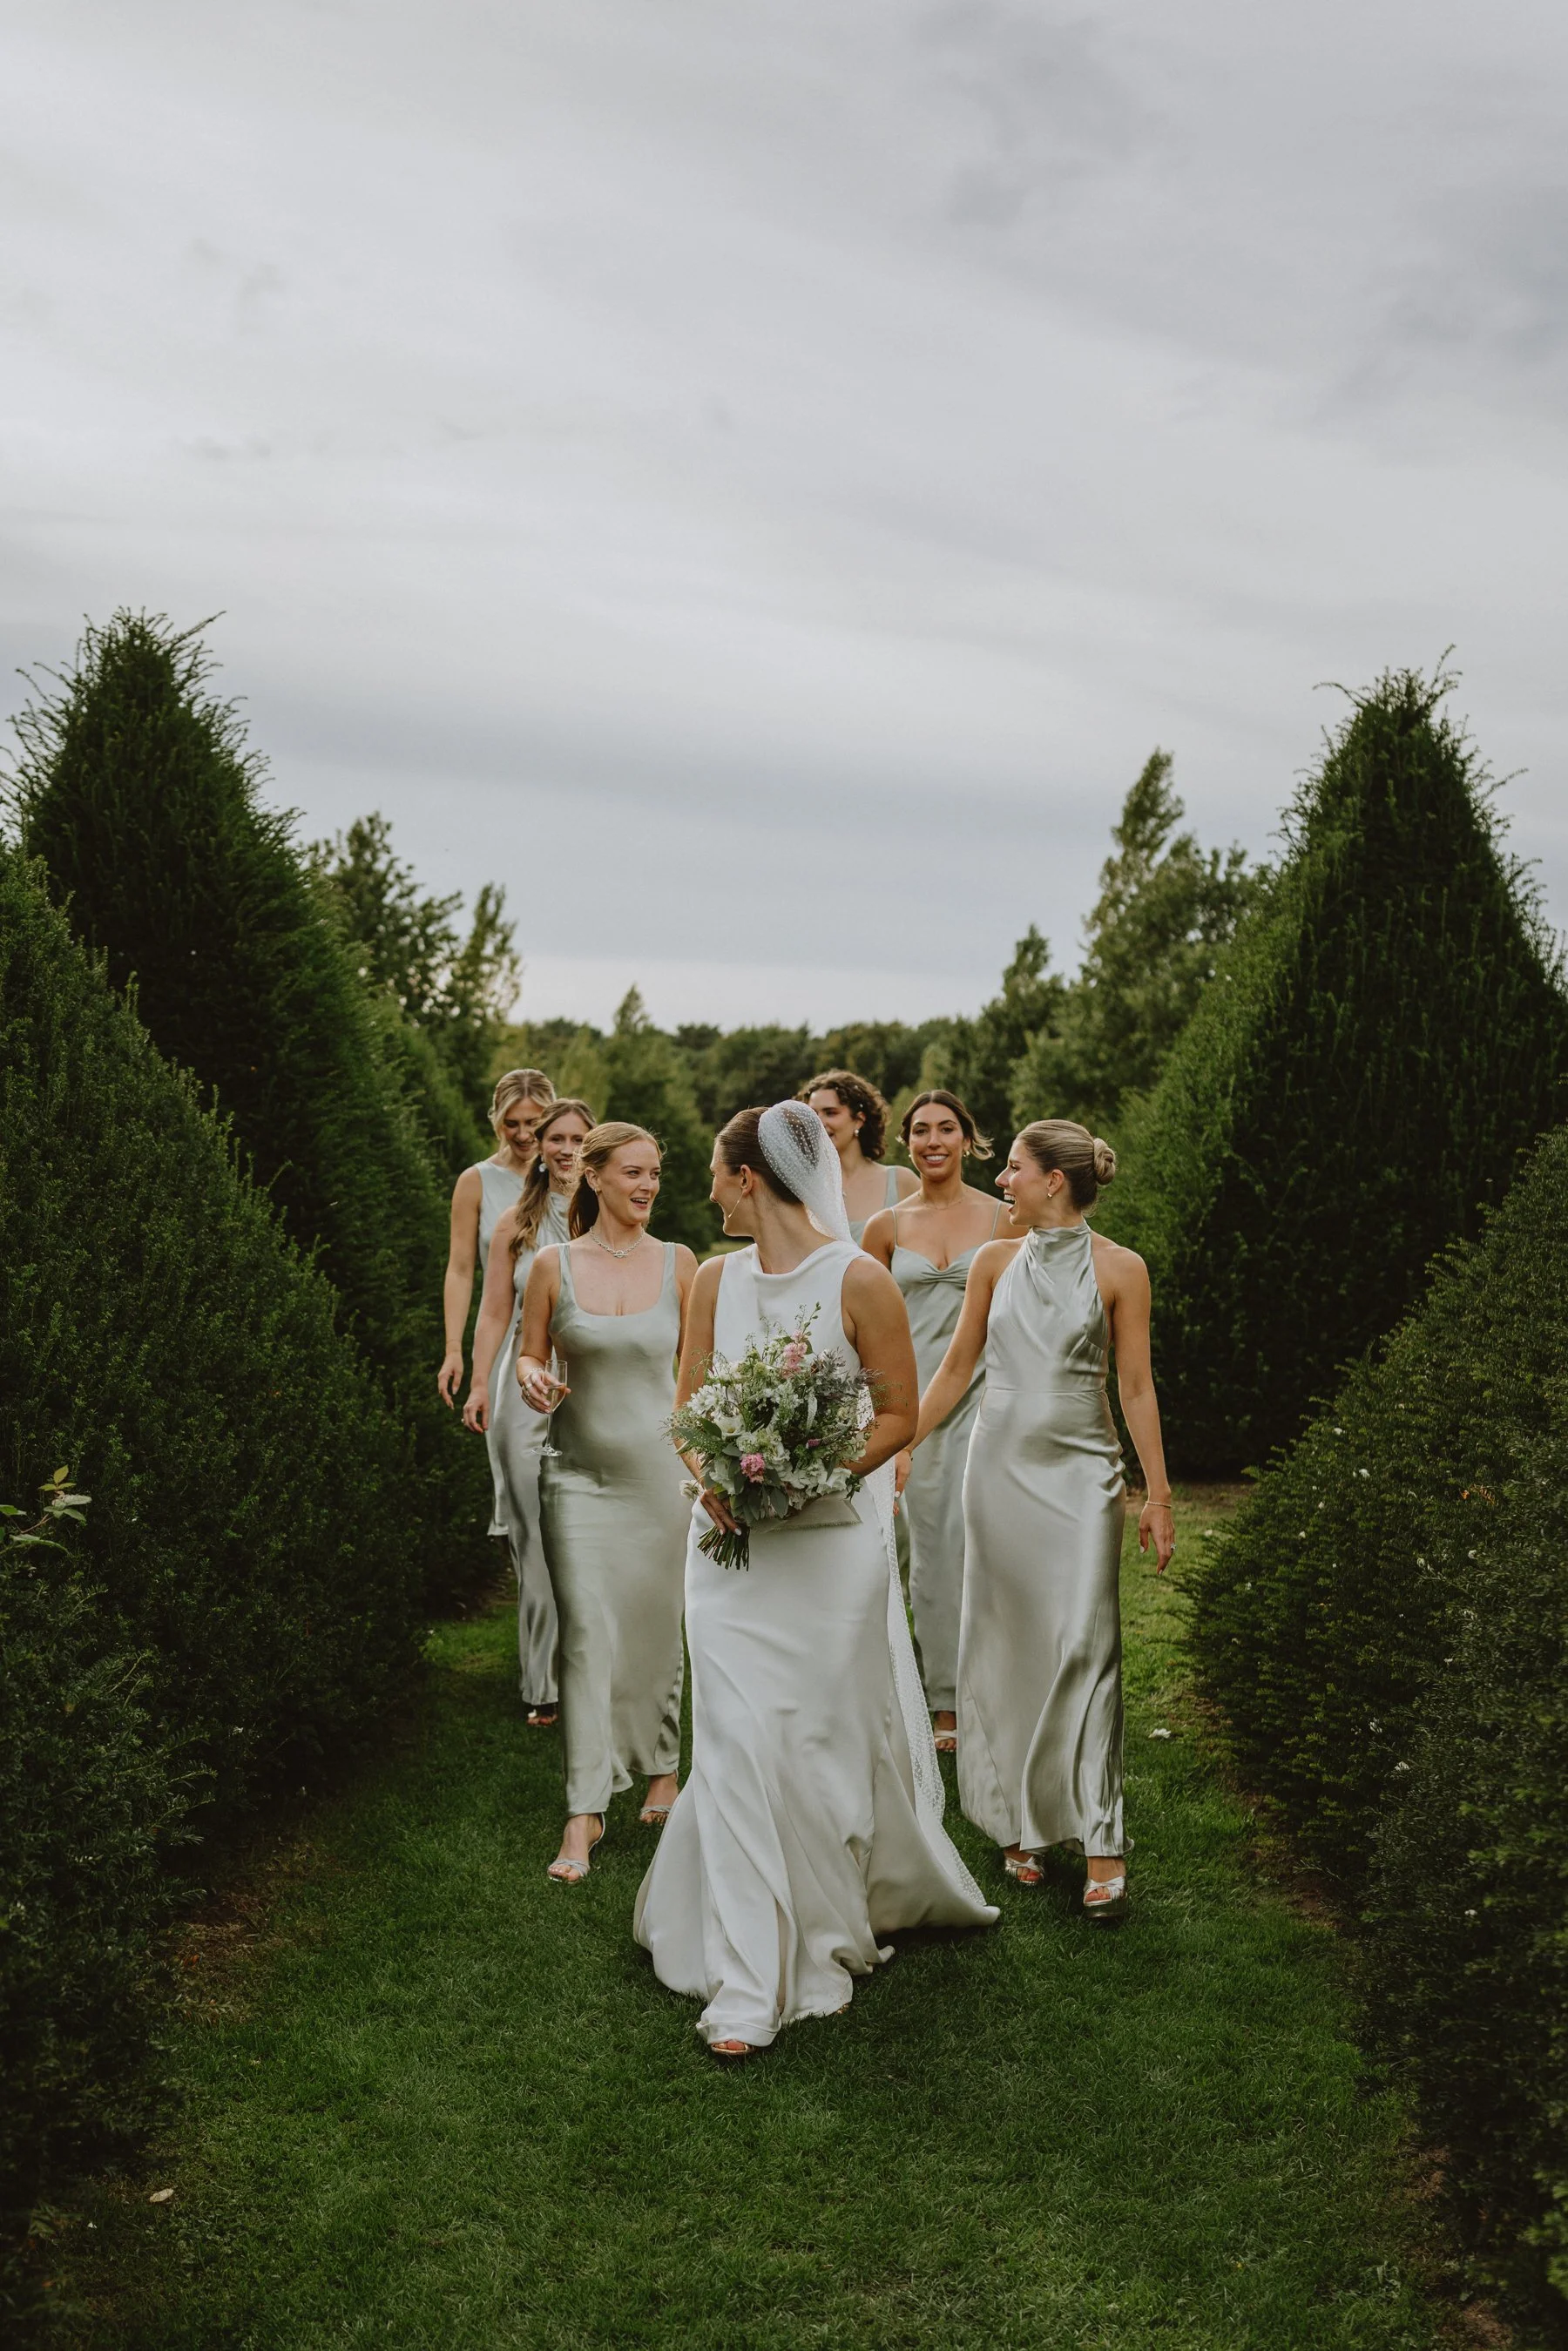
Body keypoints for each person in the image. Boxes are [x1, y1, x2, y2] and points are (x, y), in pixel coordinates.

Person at [635, 1101, 997, 2058]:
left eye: (716, 1171)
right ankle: (753, 1977)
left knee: (810, 1741)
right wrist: (712, 1477)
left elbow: (899, 1412)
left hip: (830, 1546)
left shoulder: (860, 1279)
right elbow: (685, 1406)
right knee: (744, 1739)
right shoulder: (714, 1279)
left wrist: (809, 1477)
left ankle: (831, 1907)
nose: (707, 1189)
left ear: (749, 1176)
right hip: (727, 1557)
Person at [913, 1119, 1174, 1920]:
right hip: (995, 1472)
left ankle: (1102, 1843)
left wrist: (1156, 1492)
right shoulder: (993, 1262)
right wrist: (895, 1444)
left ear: (1053, 1180)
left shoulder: (1122, 1268)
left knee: (1087, 1645)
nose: (1003, 1183)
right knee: (1005, 1640)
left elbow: (1135, 1386)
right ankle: (1020, 1822)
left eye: (1015, 1170)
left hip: (1083, 1474)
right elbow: (957, 1366)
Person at [515, 1123, 697, 1885]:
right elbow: (530, 1350)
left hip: (663, 1479)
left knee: (659, 1633)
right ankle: (584, 1810)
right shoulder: (550, 1266)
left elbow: (701, 1373)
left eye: (655, 1172)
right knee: (586, 1633)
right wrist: (529, 1373)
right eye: (632, 1172)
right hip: (576, 1477)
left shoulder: (683, 1263)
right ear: (592, 1177)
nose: (648, 1185)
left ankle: (661, 1768)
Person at [862, 1090, 1002, 1752]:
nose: (933, 1139)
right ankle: (932, 1693)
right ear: (906, 1143)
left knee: (975, 1552)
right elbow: (862, 1332)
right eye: (921, 1129)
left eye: (947, 1128)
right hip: (907, 1411)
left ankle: (971, 1694)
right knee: (920, 1557)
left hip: (984, 1403)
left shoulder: (1006, 1220)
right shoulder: (885, 1228)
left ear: (969, 1139)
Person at [463, 1098, 595, 1726]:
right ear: (538, 1147)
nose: (567, 1149)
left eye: (578, 1138)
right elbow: (492, 1310)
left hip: (591, 1382)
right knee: (533, 1533)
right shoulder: (513, 1223)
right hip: (519, 1382)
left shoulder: (607, 1218)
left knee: (590, 1529)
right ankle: (543, 1684)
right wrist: (480, 1385)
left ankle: (595, 1667)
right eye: (556, 1138)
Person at [437, 1069, 556, 1546]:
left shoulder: (571, 1176)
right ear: (495, 1122)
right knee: (524, 1482)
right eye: (513, 1123)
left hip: (568, 1340)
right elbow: (461, 1269)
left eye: (534, 1122)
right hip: (508, 1345)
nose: (525, 1135)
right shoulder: (476, 1182)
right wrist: (455, 1351)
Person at [799, 1068, 917, 1243]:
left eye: (830, 1113)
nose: (819, 1122)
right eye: (812, 1114)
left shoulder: (901, 1181)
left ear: (859, 1120)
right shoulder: (803, 1188)